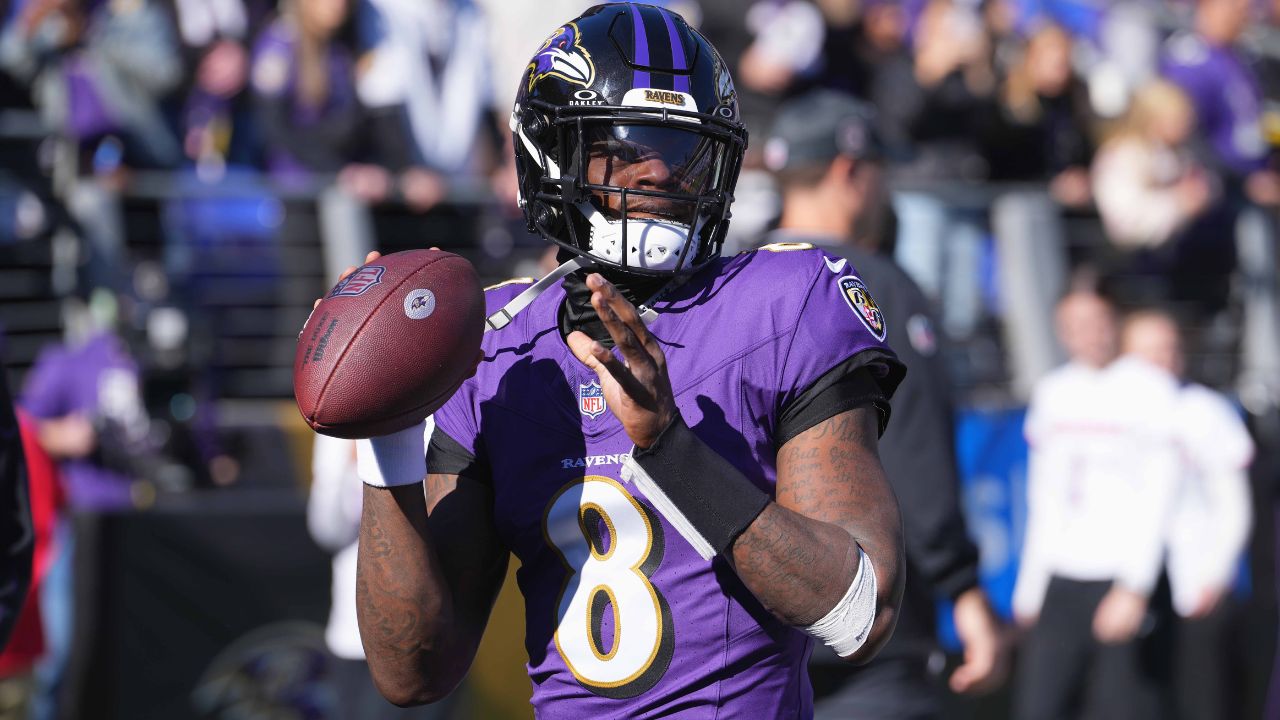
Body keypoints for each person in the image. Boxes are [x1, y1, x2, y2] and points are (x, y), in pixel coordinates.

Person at [347, 5, 906, 715]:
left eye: (680, 150)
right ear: (555, 157)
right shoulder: (496, 343)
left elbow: (860, 612)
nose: (658, 173)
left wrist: (671, 449)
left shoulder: (785, 301)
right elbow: (413, 671)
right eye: (626, 145)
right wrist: (387, 439)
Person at [760, 89, 1007, 719]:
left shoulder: (726, 281)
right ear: (849, 172)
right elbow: (916, 453)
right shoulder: (875, 284)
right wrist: (963, 587)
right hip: (872, 629)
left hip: (752, 630)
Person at [1013, 290, 1180, 720]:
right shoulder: (1053, 392)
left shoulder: (1149, 388)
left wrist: (1134, 587)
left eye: (1096, 321)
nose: (1087, 334)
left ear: (1114, 323)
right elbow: (1043, 497)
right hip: (1062, 577)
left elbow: (1160, 494)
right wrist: (1030, 587)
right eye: (1075, 325)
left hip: (1119, 578)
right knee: (1039, 705)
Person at [1121, 310, 1254, 720]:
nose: (1162, 359)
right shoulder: (1109, 412)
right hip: (1125, 583)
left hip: (1193, 582)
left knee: (1202, 698)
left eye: (1169, 348)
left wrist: (1215, 575)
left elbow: (1234, 507)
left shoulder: (1206, 410)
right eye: (1148, 351)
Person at [306, 431, 452, 719]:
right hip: (354, 636)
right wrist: (355, 467)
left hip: (431, 631)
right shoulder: (335, 418)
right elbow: (328, 529)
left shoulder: (446, 409)